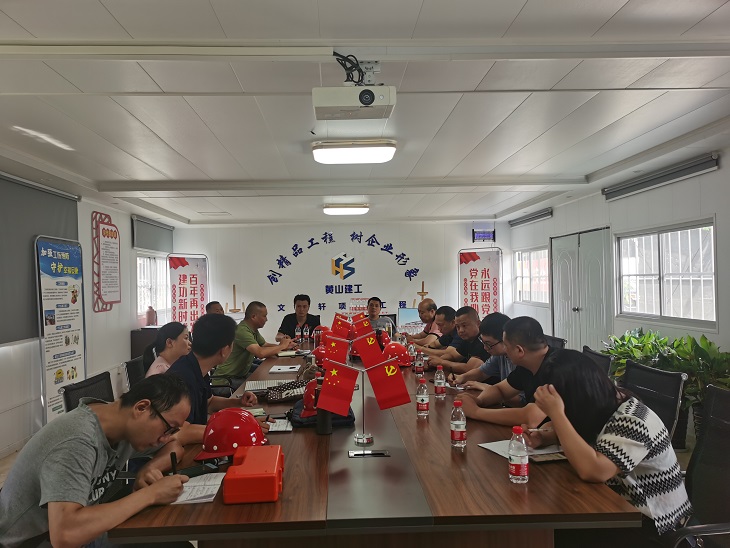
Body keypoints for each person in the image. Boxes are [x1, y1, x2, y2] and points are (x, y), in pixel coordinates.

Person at [0, 375, 191, 548]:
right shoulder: (77, 440)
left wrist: (149, 468)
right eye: (168, 428)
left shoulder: (125, 428)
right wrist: (151, 494)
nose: (165, 437)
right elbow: (64, 535)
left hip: (82, 532)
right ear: (141, 408)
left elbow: (175, 445)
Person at [527, 349, 692, 547]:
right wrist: (548, 437)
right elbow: (593, 436)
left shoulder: (633, 420)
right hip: (614, 506)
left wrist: (557, 414)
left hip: (653, 524)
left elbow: (594, 470)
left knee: (552, 535)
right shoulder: (602, 404)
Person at [167, 313, 267, 433]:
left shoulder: (196, 366)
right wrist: (239, 428)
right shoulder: (182, 378)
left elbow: (209, 403)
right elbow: (181, 431)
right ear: (224, 350)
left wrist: (238, 402)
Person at [456, 316, 553, 426]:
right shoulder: (527, 364)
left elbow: (530, 417)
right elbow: (501, 390)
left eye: (506, 346)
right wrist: (478, 401)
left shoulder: (555, 368)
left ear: (519, 350)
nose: (505, 351)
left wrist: (475, 411)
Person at [211, 301, 296, 392]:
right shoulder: (242, 331)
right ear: (253, 317)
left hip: (239, 375)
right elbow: (260, 353)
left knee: (267, 378)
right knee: (264, 386)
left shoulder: (252, 329)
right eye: (264, 316)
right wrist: (282, 346)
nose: (266, 319)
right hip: (226, 382)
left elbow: (264, 345)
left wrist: (285, 346)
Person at [448, 312, 516, 387]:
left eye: (488, 344)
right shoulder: (498, 356)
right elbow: (482, 372)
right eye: (483, 342)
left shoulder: (519, 360)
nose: (485, 348)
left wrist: (487, 387)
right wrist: (461, 377)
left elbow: (518, 394)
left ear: (505, 340)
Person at [426, 306, 488, 374]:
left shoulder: (484, 341)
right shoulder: (468, 339)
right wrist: (435, 361)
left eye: (464, 325)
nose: (461, 330)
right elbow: (453, 356)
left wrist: (441, 362)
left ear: (478, 324)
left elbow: (469, 368)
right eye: (457, 327)